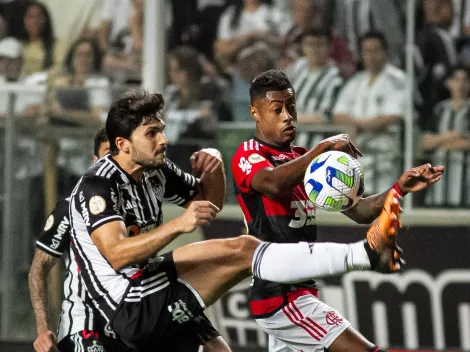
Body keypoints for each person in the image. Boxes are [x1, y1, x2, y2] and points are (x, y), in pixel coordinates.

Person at [69, 89, 402, 350]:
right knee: (244, 251)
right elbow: (115, 253)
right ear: (123, 145)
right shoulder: (98, 185)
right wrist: (178, 225)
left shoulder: (155, 171)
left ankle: (366, 255)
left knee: (221, 336)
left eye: (162, 130)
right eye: (152, 133)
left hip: (152, 282)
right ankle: (365, 254)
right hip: (129, 305)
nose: (164, 140)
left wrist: (213, 166)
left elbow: (208, 204)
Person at [231, 69, 444, 352]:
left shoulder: (302, 159)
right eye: (277, 109)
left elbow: (360, 211)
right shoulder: (249, 153)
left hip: (299, 289)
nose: (287, 116)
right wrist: (322, 148)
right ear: (255, 113)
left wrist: (399, 187)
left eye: (291, 107)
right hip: (280, 294)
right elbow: (272, 184)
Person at [29, 128, 231, 352]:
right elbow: (39, 267)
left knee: (215, 346)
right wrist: (42, 328)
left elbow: (207, 199)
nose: (117, 162)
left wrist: (214, 157)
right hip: (90, 318)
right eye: (108, 155)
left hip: (144, 299)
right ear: (96, 161)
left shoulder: (151, 183)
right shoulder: (72, 207)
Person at [333, 31, 408, 194]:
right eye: (366, 51)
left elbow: (392, 117)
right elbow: (338, 115)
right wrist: (363, 124)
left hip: (384, 158)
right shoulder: (356, 80)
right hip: (356, 157)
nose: (371, 56)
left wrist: (357, 125)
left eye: (375, 51)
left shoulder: (398, 79)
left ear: (385, 52)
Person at [421, 66, 470, 207]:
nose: (460, 84)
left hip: (465, 186)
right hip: (439, 187)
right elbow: (425, 143)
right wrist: (454, 136)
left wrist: (443, 144)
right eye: (456, 80)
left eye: (465, 80)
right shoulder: (439, 110)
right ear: (449, 83)